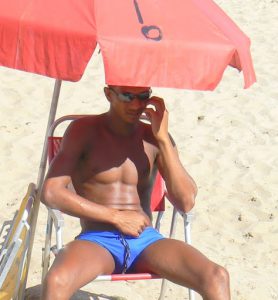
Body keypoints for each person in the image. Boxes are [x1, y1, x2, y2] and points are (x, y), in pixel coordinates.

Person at [41, 85, 230, 300]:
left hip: (146, 241)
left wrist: (164, 140)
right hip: (97, 240)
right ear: (108, 94)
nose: (137, 105)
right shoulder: (83, 130)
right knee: (57, 280)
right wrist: (116, 217)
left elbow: (186, 201)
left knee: (217, 277)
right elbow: (51, 192)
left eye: (143, 97)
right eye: (127, 96)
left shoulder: (153, 138)